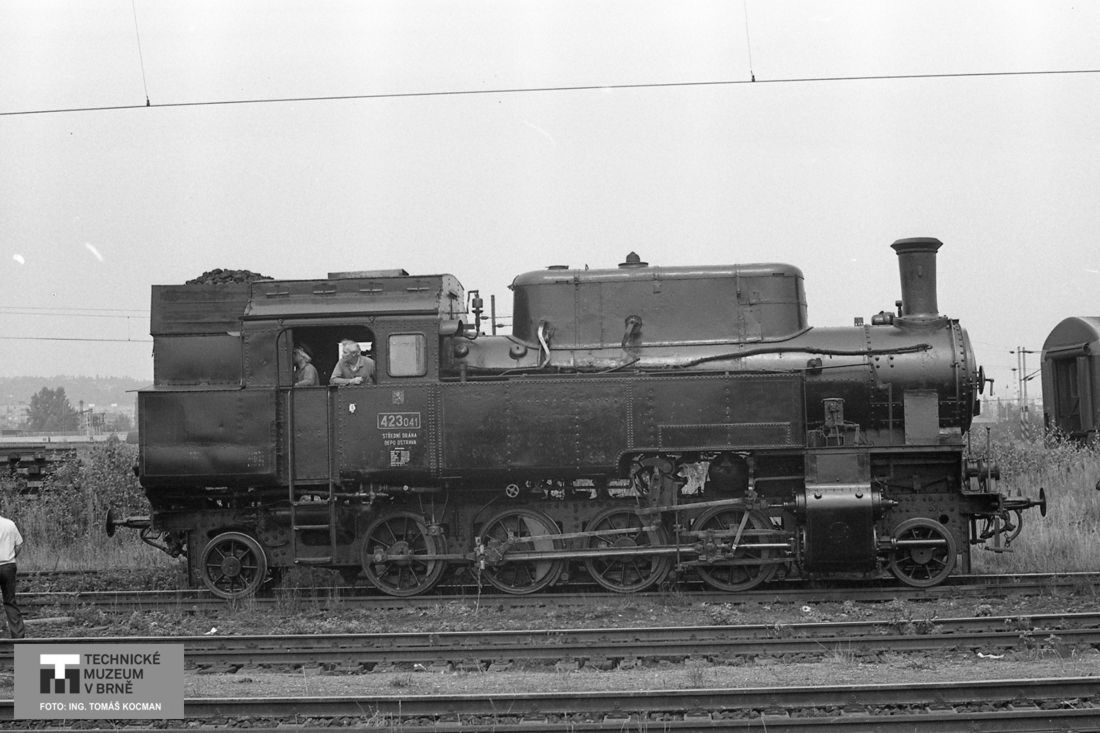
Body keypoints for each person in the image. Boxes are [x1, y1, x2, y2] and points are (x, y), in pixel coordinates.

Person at [0, 512, 25, 639]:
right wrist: (11, 556)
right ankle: (18, 636)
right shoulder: (10, 524)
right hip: (8, 566)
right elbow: (19, 545)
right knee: (10, 601)